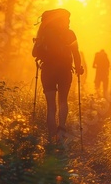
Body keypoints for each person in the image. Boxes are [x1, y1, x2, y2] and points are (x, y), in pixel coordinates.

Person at [32, 8, 84, 143]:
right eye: (67, 19)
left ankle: (51, 137)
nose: (69, 21)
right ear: (62, 20)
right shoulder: (70, 34)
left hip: (48, 71)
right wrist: (79, 68)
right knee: (63, 101)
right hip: (65, 71)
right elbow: (76, 53)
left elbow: (34, 53)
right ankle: (61, 132)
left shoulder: (44, 33)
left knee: (51, 106)